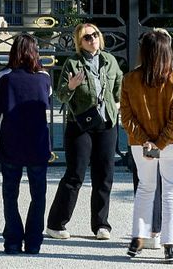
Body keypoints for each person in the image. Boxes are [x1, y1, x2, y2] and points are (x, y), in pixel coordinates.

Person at [46, 23, 123, 241]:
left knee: (104, 174)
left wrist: (115, 105)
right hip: (80, 125)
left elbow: (119, 85)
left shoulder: (110, 61)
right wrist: (70, 87)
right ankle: (55, 224)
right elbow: (60, 96)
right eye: (87, 37)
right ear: (80, 42)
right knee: (75, 175)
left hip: (106, 124)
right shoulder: (72, 63)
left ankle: (101, 224)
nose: (93, 39)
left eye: (96, 35)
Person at [120, 30, 173, 264]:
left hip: (141, 145)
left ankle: (137, 238)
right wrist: (160, 142)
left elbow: (126, 117)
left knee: (145, 189)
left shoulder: (129, 79)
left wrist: (146, 141)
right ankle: (170, 245)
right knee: (171, 191)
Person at [0, 33, 52, 255]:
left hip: (11, 140)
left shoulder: (5, 76)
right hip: (37, 142)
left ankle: (12, 240)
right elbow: (47, 102)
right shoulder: (44, 77)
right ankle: (34, 241)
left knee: (10, 194)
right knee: (38, 194)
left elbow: (0, 108)